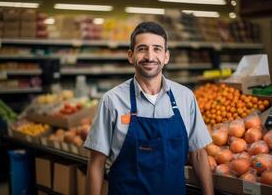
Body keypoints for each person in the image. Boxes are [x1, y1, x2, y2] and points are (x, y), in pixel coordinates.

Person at [84, 21, 214, 195]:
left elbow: (198, 155)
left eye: (157, 49)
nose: (150, 56)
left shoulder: (186, 98)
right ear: (130, 55)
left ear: (166, 56)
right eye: (142, 49)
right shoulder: (112, 101)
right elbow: (96, 164)